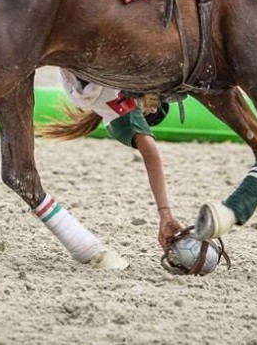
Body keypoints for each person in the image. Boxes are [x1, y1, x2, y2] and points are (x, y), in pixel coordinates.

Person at [48, 70, 183, 250]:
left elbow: (153, 157)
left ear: (150, 110)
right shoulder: (122, 102)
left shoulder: (125, 113)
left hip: (87, 77)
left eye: (154, 105)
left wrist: (165, 213)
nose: (152, 103)